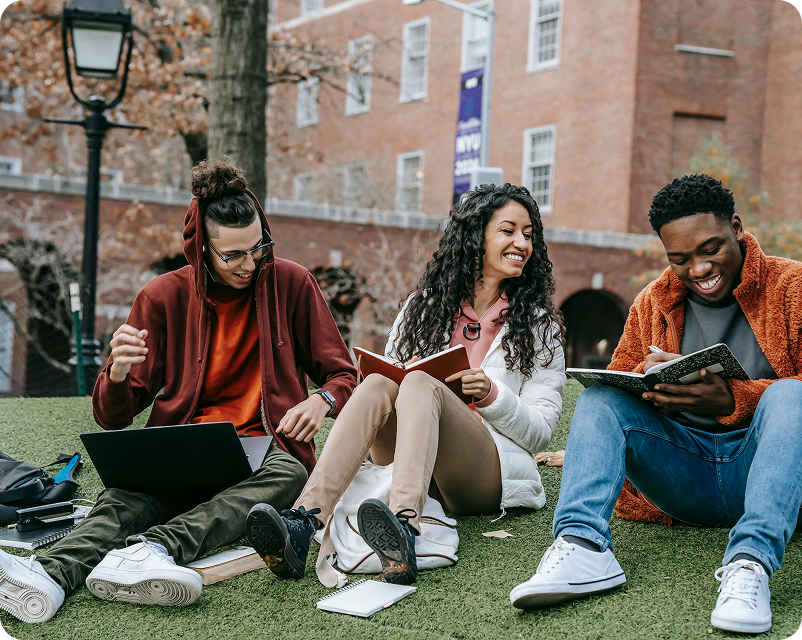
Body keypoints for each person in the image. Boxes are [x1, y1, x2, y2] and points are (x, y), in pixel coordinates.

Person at [0, 157, 357, 623]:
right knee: (126, 497)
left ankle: (151, 551)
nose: (251, 264)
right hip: (183, 442)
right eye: (233, 255)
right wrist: (118, 374)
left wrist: (321, 399)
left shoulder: (292, 283)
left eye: (258, 247)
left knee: (291, 477)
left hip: (265, 449)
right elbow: (113, 417)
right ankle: (46, 575)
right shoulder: (161, 296)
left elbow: (344, 375)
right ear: (201, 248)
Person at [509, 174, 802, 634]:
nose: (699, 269)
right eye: (680, 258)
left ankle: (750, 565)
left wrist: (734, 398)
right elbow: (624, 385)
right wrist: (658, 390)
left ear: (738, 228)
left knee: (793, 394)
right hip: (683, 477)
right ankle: (581, 547)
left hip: (767, 477)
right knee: (602, 397)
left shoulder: (793, 287)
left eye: (710, 249)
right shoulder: (652, 302)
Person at [246, 183, 566, 586]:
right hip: (407, 459)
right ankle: (304, 521)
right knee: (382, 381)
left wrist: (491, 395)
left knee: (419, 384)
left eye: (528, 234)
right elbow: (389, 384)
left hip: (483, 473)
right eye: (508, 230)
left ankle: (404, 528)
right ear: (476, 236)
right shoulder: (423, 307)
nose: (521, 242)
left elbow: (539, 432)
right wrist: (403, 372)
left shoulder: (538, 325)